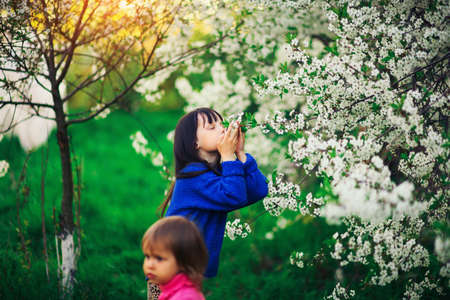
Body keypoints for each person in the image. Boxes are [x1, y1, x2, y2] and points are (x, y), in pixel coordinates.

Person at [161, 107, 268, 278]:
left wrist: (239, 153)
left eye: (222, 123)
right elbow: (233, 196)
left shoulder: (214, 173)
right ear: (194, 143)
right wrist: (227, 156)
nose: (223, 128)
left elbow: (259, 190)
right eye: (212, 127)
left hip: (189, 268)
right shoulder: (192, 177)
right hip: (168, 268)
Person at [142, 216, 208, 300]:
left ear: (183, 260)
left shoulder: (185, 297)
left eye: (159, 258)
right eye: (147, 256)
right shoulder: (168, 285)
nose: (150, 265)